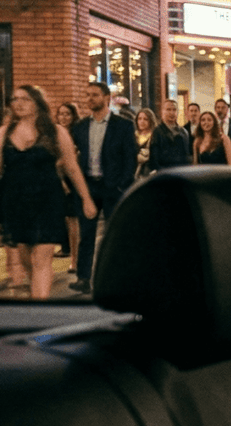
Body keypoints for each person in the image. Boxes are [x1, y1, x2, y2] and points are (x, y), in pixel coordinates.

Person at [0, 86, 97, 300]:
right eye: (15, 99)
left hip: (47, 200)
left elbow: (71, 167)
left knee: (42, 259)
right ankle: (37, 296)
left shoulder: (56, 132)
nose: (18, 103)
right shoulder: (4, 133)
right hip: (15, 201)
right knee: (26, 260)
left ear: (38, 103)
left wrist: (86, 198)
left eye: (25, 99)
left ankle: (40, 305)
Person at [71, 82, 137, 293]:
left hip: (113, 186)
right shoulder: (80, 127)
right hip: (89, 186)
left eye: (95, 95)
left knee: (115, 234)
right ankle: (83, 278)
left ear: (106, 97)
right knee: (87, 234)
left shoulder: (123, 125)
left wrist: (122, 185)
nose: (90, 99)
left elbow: (130, 158)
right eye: (87, 95)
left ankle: (119, 276)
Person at [54, 101, 82, 263]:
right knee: (63, 219)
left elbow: (74, 158)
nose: (63, 117)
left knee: (73, 221)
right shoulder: (53, 134)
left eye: (67, 114)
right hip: (57, 180)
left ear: (73, 116)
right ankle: (68, 250)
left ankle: (75, 258)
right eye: (61, 114)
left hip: (72, 180)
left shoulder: (76, 134)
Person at [155, 100, 191, 169]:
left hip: (181, 172)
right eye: (168, 109)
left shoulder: (183, 132)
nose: (171, 113)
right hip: (164, 172)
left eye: (174, 110)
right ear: (162, 111)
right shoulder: (157, 131)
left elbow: (186, 156)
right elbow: (154, 158)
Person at [133, 108, 161, 178]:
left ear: (151, 121)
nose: (142, 121)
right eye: (139, 119)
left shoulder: (155, 136)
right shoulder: (132, 136)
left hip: (148, 174)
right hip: (132, 173)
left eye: (145, 119)